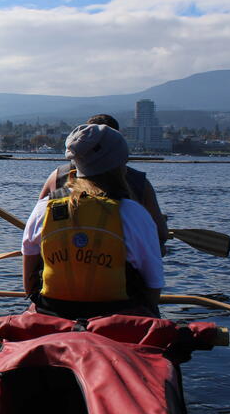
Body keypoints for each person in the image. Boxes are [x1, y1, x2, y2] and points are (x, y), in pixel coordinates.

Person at [21, 124, 164, 319]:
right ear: (119, 165)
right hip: (118, 317)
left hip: (52, 311)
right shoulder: (134, 214)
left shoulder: (43, 209)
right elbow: (153, 287)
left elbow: (29, 286)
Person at [39, 114, 169, 254]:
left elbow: (38, 223)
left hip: (63, 259)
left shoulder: (57, 176)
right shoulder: (139, 182)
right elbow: (161, 233)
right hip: (115, 265)